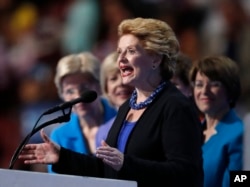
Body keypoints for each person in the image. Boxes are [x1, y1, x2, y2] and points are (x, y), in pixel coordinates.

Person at [19, 17, 203, 187]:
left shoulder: (175, 107)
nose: (121, 59)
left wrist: (125, 163)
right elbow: (108, 168)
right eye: (119, 52)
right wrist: (62, 157)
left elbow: (186, 174)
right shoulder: (127, 107)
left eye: (130, 51)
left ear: (156, 58)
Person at [47, 52, 117, 173]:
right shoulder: (59, 136)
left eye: (84, 89)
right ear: (62, 95)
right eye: (70, 91)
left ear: (100, 87)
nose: (78, 97)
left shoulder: (122, 121)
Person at [189, 55, 244, 187]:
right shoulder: (192, 131)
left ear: (230, 88)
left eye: (214, 84)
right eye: (199, 84)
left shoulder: (240, 135)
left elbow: (241, 181)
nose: (204, 91)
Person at [96, 51, 134, 147]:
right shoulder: (102, 132)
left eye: (126, 74)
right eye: (113, 78)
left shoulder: (151, 118)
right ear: (106, 88)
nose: (121, 83)